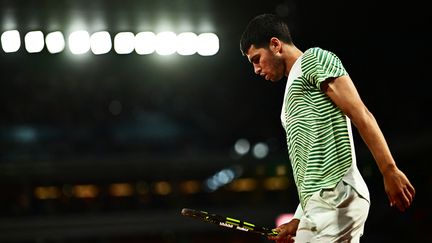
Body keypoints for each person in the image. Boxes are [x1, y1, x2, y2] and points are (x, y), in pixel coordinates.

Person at [239, 13, 415, 242]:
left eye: (256, 58)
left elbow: (360, 113)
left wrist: (389, 169)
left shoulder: (314, 59)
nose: (256, 69)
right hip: (319, 205)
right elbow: (310, 166)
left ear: (275, 45)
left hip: (337, 196)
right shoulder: (290, 94)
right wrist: (298, 218)